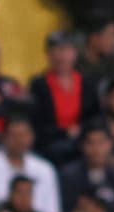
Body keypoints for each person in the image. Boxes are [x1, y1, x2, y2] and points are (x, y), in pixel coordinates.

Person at [28, 31, 99, 166]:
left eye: (66, 50)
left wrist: (81, 131)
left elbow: (94, 116)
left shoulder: (87, 83)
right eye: (57, 50)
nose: (62, 56)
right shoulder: (38, 85)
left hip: (83, 143)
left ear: (75, 53)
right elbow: (37, 123)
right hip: (50, 145)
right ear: (48, 54)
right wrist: (65, 132)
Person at [0, 115, 62, 212]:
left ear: (32, 137)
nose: (19, 140)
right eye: (14, 135)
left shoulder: (45, 169)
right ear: (3, 137)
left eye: (23, 135)